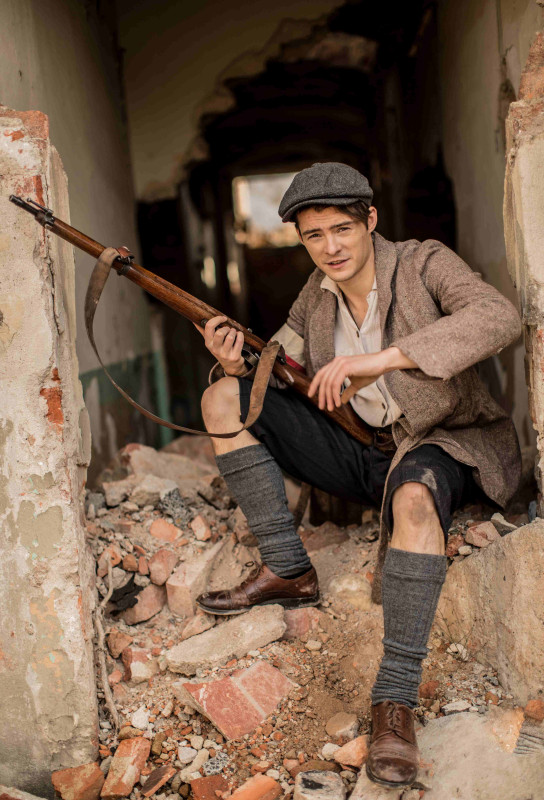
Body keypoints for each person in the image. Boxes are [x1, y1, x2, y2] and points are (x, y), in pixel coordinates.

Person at [194, 162, 521, 788]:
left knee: (416, 498)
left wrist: (384, 359)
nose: (331, 248)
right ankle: (287, 568)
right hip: (361, 452)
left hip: (437, 441)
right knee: (222, 400)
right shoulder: (314, 296)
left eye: (342, 229)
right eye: (314, 236)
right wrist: (234, 366)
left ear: (370, 219)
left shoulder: (423, 262)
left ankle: (394, 703)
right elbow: (276, 369)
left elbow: (496, 317)